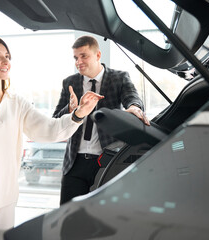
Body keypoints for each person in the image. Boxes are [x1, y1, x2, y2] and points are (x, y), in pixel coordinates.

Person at [0, 37, 104, 240]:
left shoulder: (17, 103)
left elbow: (50, 130)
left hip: (6, 200)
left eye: (7, 56)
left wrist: (78, 114)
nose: (5, 61)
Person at [53, 35, 150, 205]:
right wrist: (70, 109)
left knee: (103, 216)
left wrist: (135, 107)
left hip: (106, 161)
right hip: (74, 163)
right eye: (76, 57)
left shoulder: (119, 78)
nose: (78, 62)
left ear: (98, 55)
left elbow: (132, 97)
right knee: (69, 218)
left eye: (84, 56)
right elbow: (56, 120)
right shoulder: (70, 82)